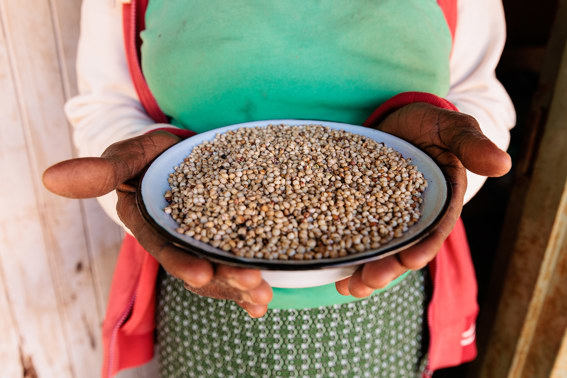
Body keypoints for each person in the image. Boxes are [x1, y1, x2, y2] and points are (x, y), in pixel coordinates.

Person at [43, 0, 515, 376]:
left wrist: (447, 155)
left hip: (382, 301)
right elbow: (106, 106)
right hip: (204, 294)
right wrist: (155, 170)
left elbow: (478, 91)